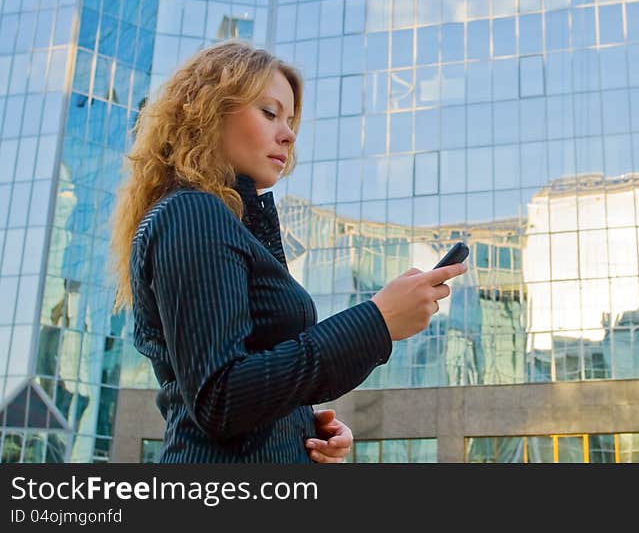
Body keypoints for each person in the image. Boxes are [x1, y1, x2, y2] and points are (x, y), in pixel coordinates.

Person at [109, 40, 467, 463]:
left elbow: (240, 388)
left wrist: (298, 429)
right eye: (269, 112)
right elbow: (219, 399)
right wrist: (379, 320)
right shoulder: (192, 212)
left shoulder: (227, 222)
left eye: (292, 119)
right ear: (208, 112)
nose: (289, 133)